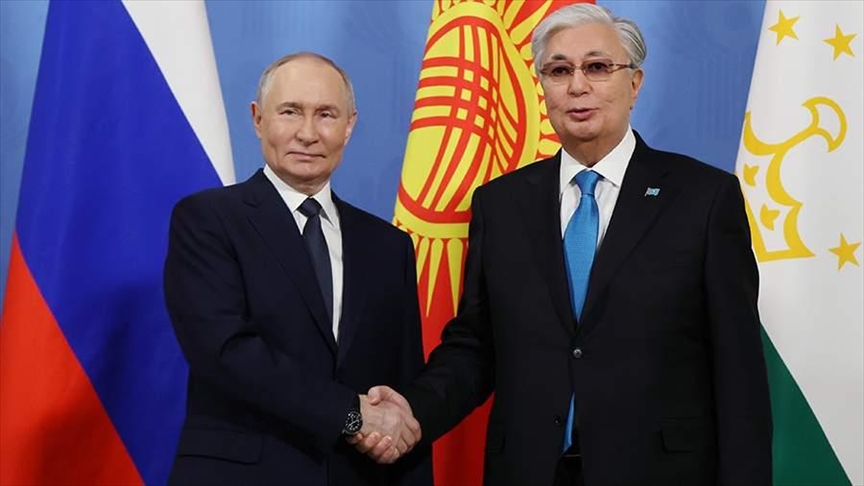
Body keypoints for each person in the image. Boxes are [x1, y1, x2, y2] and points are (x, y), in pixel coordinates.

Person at [357, 4, 772, 485]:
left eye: (597, 67)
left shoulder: (704, 198)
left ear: (634, 83)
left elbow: (739, 370)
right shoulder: (500, 204)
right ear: (543, 86)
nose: (577, 86)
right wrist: (412, 411)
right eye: (559, 71)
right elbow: (476, 346)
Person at [163, 52, 431, 486]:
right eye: (290, 112)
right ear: (258, 119)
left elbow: (399, 388)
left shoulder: (388, 246)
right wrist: (350, 414)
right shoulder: (207, 220)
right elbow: (224, 351)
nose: (308, 133)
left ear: (349, 125)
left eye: (326, 114)